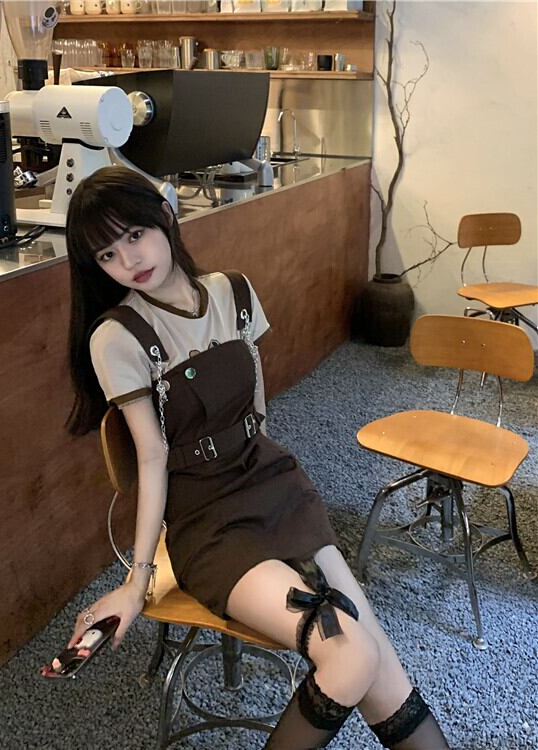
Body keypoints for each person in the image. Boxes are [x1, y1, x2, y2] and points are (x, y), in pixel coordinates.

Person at [65, 166, 450, 749]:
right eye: (107, 255)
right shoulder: (117, 337)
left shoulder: (234, 293)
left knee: (381, 665)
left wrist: (264, 465)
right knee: (353, 656)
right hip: (209, 524)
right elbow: (151, 457)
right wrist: (136, 582)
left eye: (135, 234)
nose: (129, 260)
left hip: (275, 487)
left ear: (165, 215)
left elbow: (258, 408)